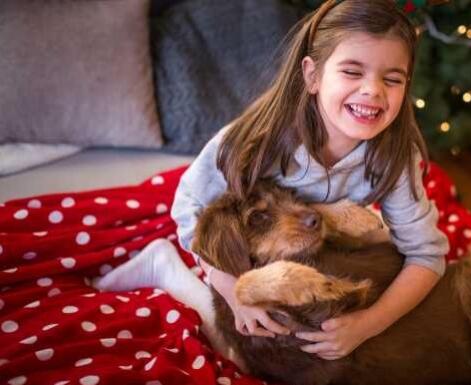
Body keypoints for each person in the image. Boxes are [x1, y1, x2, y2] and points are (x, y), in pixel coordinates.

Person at [171, 0, 449, 361]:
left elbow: (427, 255)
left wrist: (367, 324)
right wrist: (232, 291)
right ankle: (164, 267)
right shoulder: (254, 140)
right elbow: (188, 210)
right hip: (255, 240)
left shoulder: (394, 157)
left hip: (317, 240)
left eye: (392, 79)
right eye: (352, 72)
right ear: (312, 75)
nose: (373, 91)